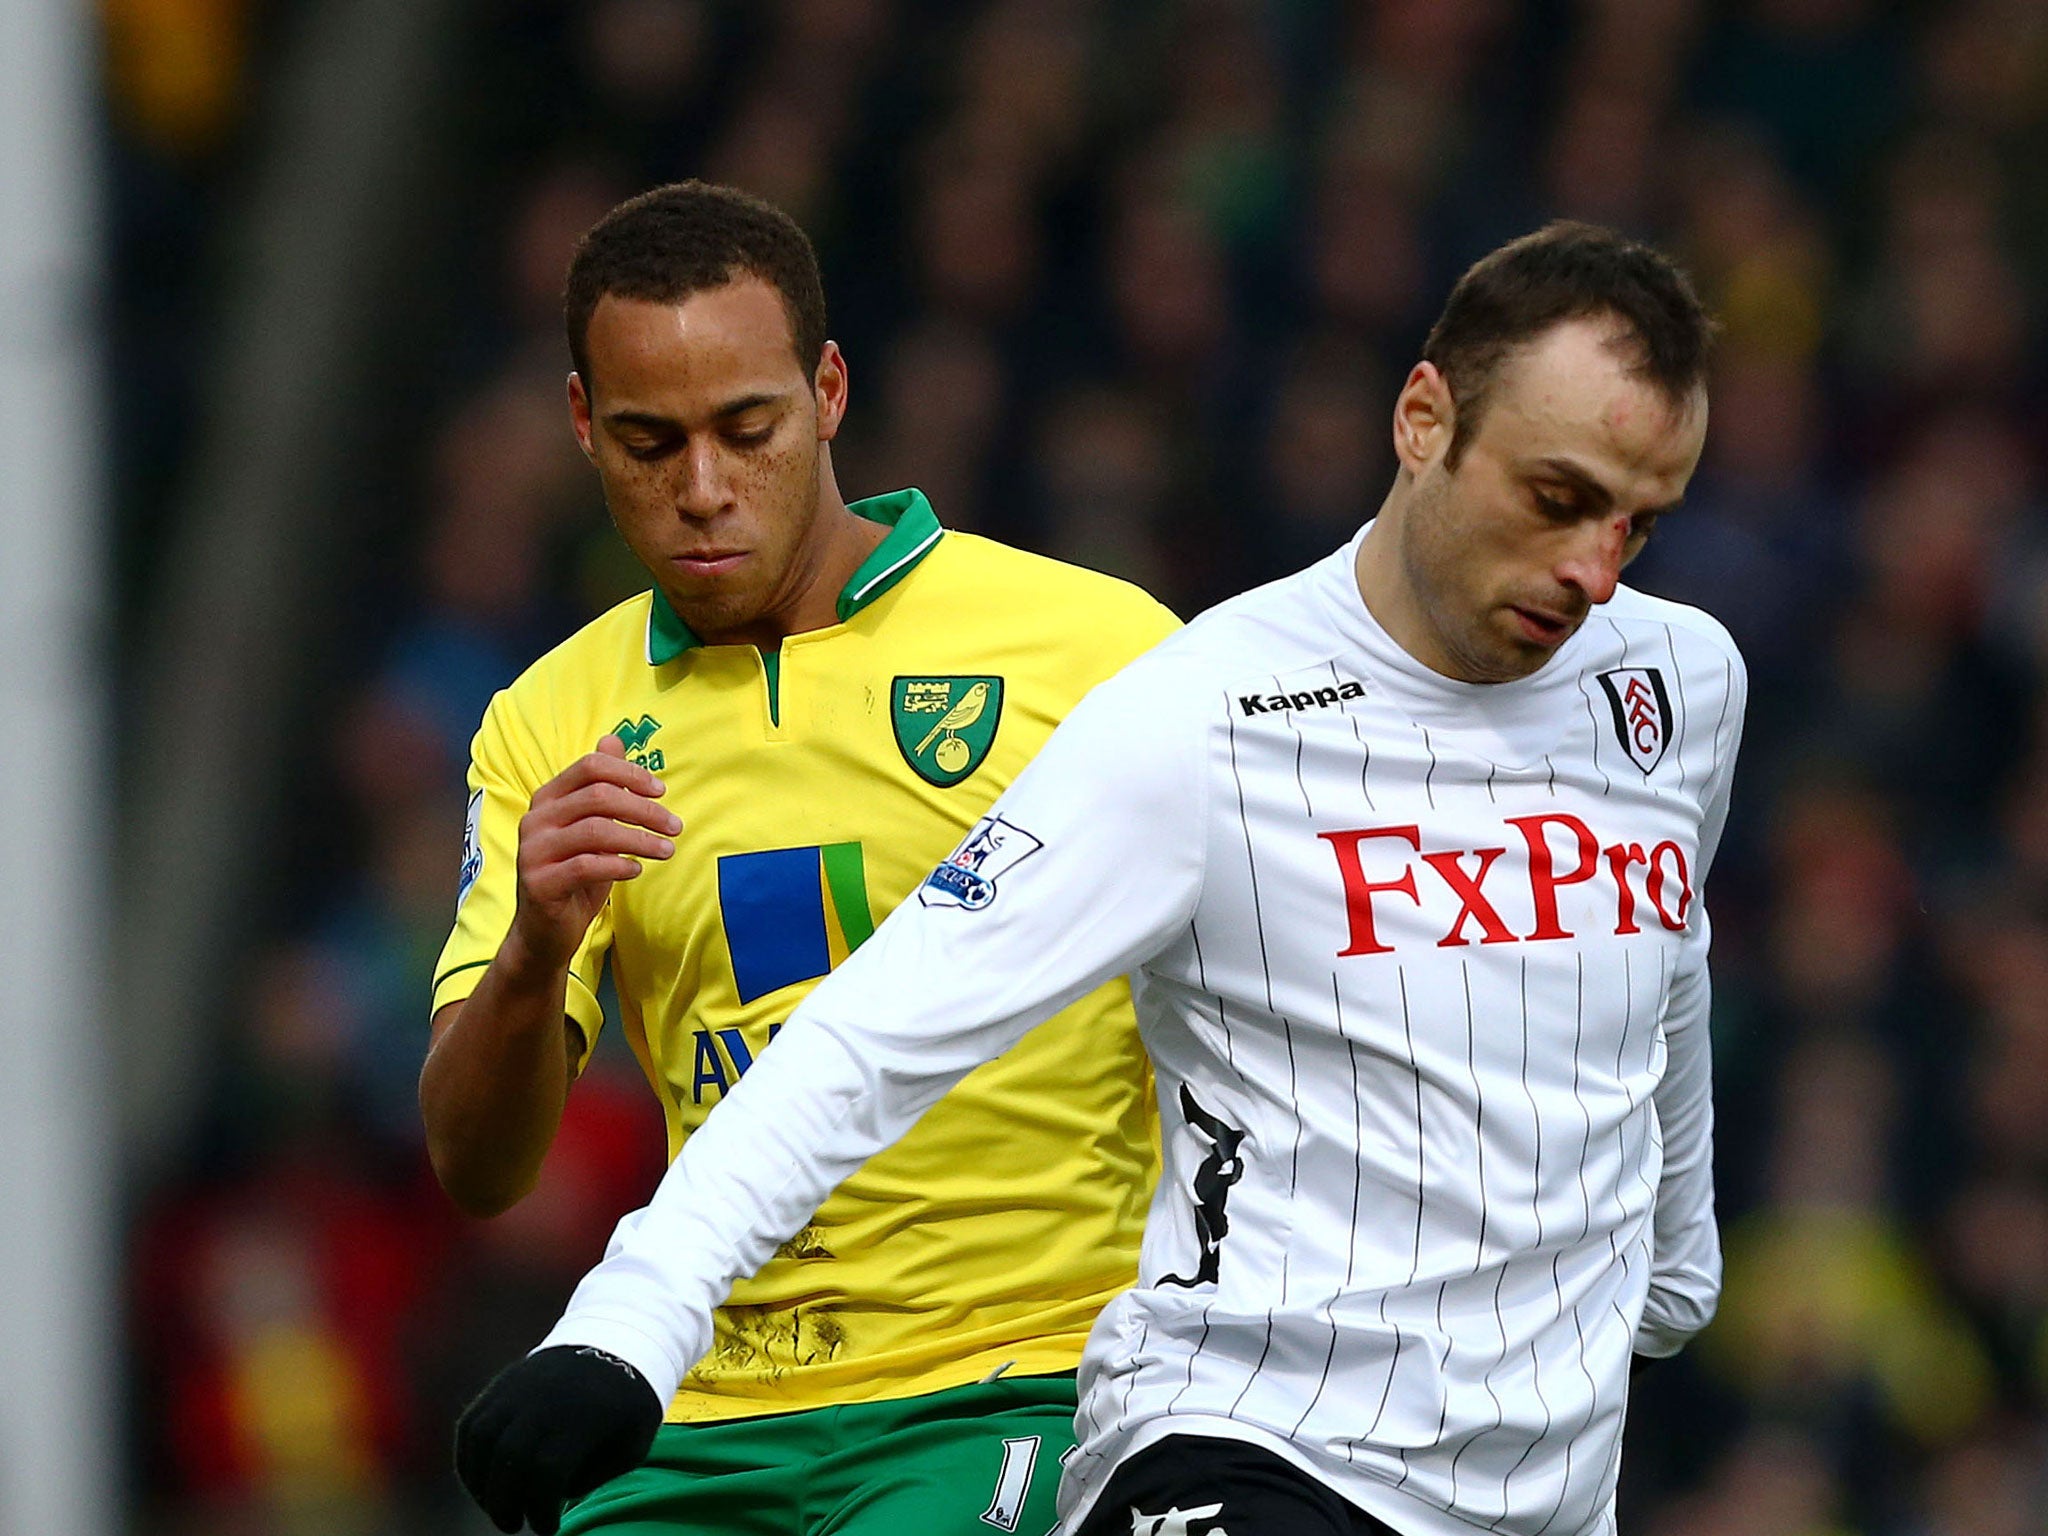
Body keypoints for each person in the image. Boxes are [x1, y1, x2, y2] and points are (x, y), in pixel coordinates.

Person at [457, 221, 1743, 1536]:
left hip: (1537, 1486)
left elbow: (1666, 953)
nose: (1594, 571)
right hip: (1233, 1441)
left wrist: (1675, 1264)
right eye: (1557, 499)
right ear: (1424, 419)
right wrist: (630, 1323)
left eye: (1638, 526)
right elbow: (873, 1027)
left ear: (827, 394)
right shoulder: (1195, 716)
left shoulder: (1683, 686)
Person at [423, 180, 1180, 1536]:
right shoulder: (550, 722)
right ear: (585, 426)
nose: (703, 490)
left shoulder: (1097, 651)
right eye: (651, 443)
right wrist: (536, 950)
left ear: (828, 392)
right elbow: (478, 1166)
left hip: (1017, 1381)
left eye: (747, 429)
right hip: (700, 1412)